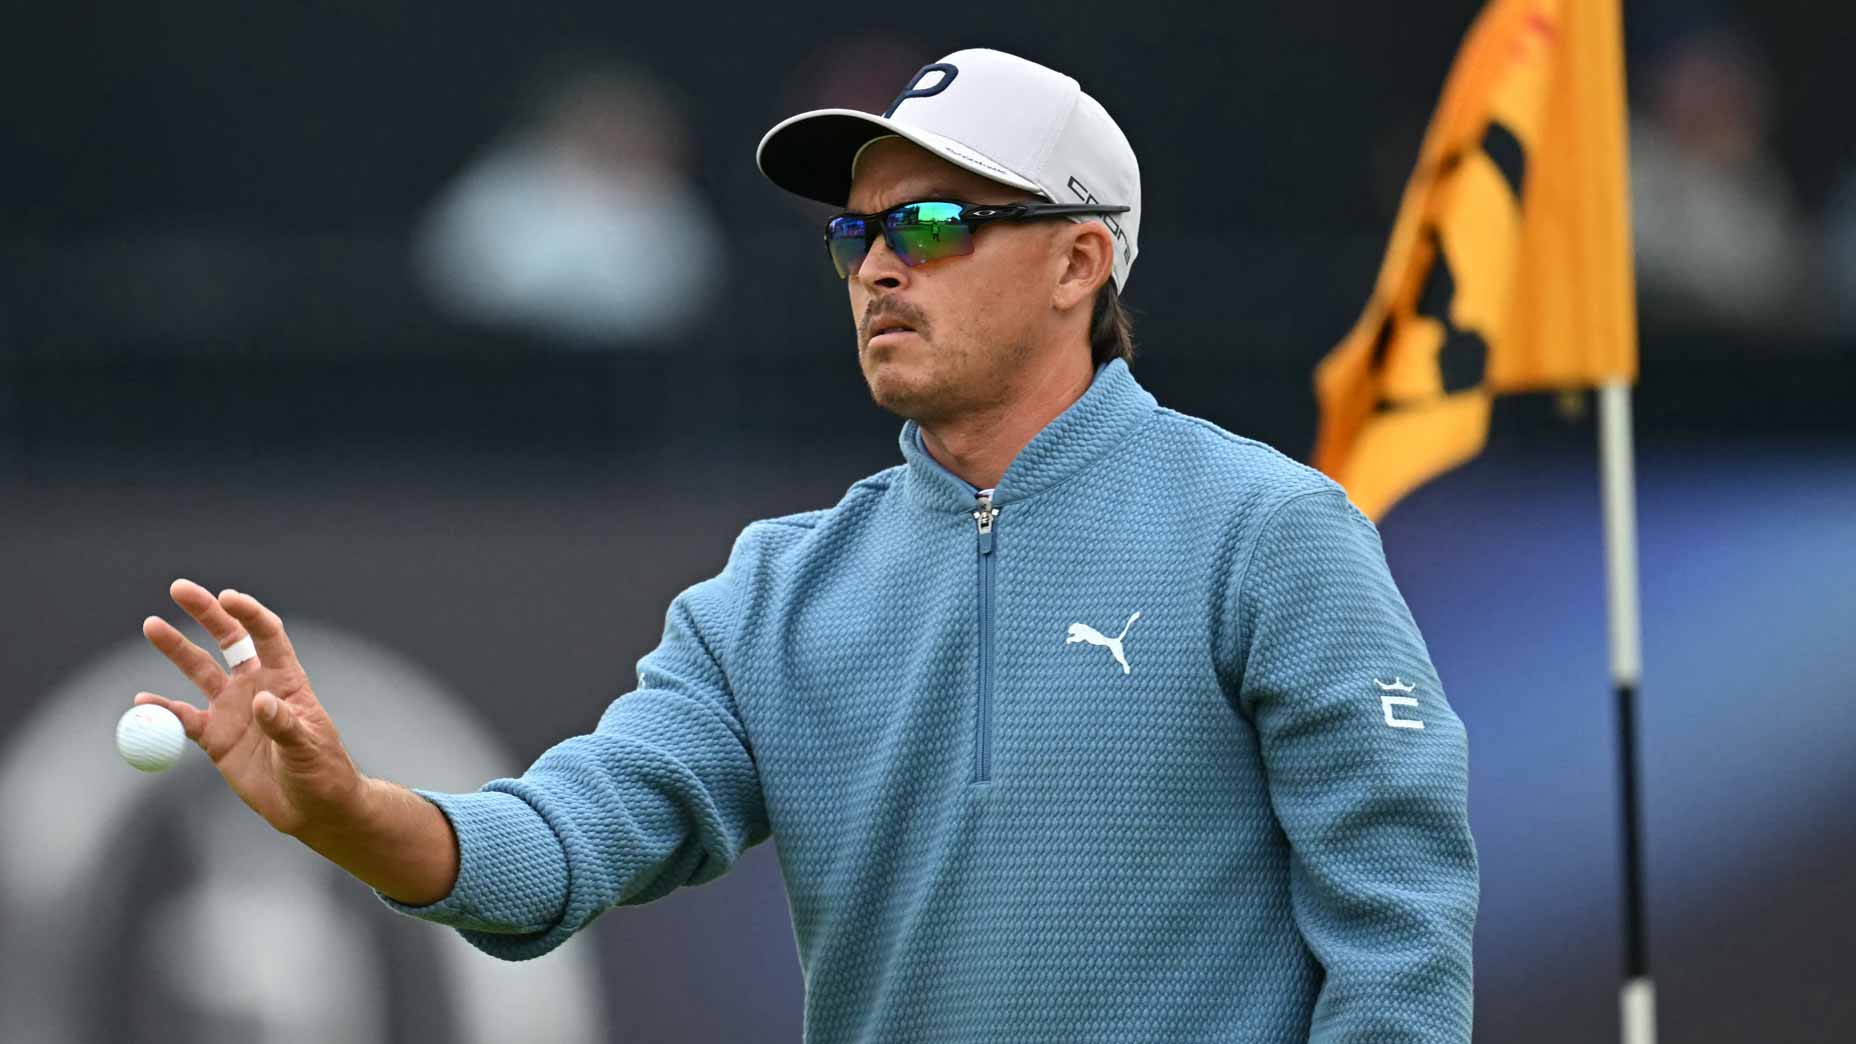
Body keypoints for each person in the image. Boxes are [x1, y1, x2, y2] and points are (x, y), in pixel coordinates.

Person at [136, 49, 1478, 1043]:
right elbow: (567, 845)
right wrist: (352, 816)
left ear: (1080, 265)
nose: (882, 266)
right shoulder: (775, 592)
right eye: (859, 234)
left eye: (936, 224)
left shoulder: (1269, 531)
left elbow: (1400, 948)